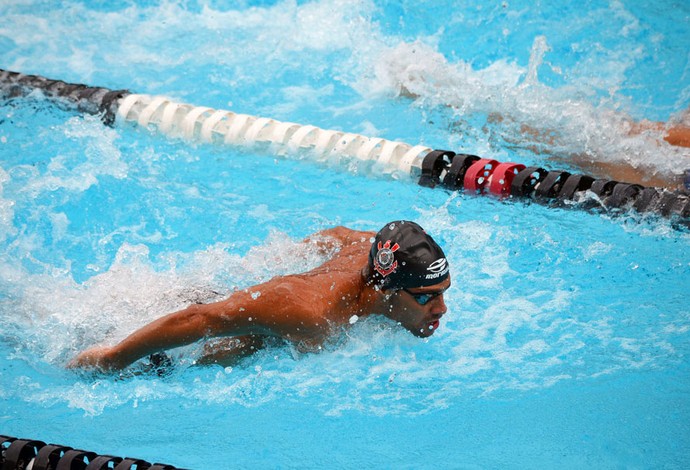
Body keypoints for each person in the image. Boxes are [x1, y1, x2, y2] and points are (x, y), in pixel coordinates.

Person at [68, 220, 451, 372]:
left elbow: (338, 235)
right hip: (169, 351)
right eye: (425, 298)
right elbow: (198, 319)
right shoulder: (311, 312)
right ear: (386, 289)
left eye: (443, 293)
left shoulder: (374, 253)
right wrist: (112, 359)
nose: (442, 309)